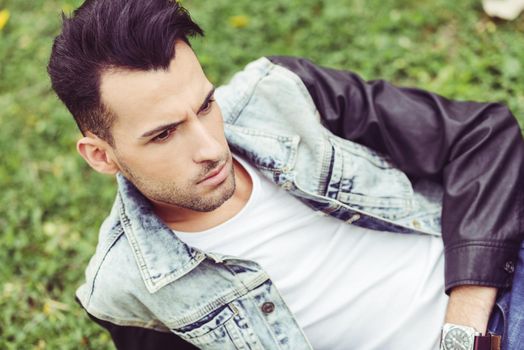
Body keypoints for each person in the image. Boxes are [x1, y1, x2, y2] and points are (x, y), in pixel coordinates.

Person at [47, 0, 524, 349]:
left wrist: (463, 332)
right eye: (165, 134)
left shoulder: (282, 94)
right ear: (100, 155)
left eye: (206, 105)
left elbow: (482, 135)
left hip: (496, 286)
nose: (212, 147)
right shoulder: (125, 289)